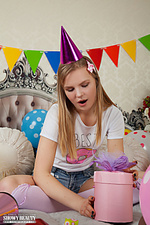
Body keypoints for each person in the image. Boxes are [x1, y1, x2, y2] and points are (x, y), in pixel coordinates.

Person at [0, 27, 125, 219]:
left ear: (96, 81)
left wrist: (130, 178)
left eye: (85, 85)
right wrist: (78, 203)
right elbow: (41, 174)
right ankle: (68, 201)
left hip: (85, 181)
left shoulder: (112, 114)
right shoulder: (57, 112)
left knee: (126, 188)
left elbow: (116, 169)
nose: (79, 94)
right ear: (64, 91)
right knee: (7, 185)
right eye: (70, 89)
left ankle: (60, 203)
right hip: (53, 178)